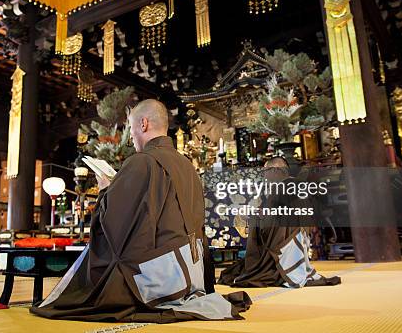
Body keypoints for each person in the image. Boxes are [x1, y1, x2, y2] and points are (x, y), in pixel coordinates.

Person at [31, 99, 251, 322]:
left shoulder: (143, 161)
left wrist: (106, 191)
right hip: (192, 274)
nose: (131, 136)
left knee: (96, 280)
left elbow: (117, 225)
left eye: (131, 128)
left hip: (161, 278)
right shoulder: (187, 165)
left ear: (143, 124)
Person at [218, 156, 340, 288]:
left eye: (266, 171)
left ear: (275, 170)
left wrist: (254, 217)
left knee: (254, 226)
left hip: (285, 242)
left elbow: (269, 221)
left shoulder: (281, 187)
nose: (264, 176)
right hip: (299, 237)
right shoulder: (296, 184)